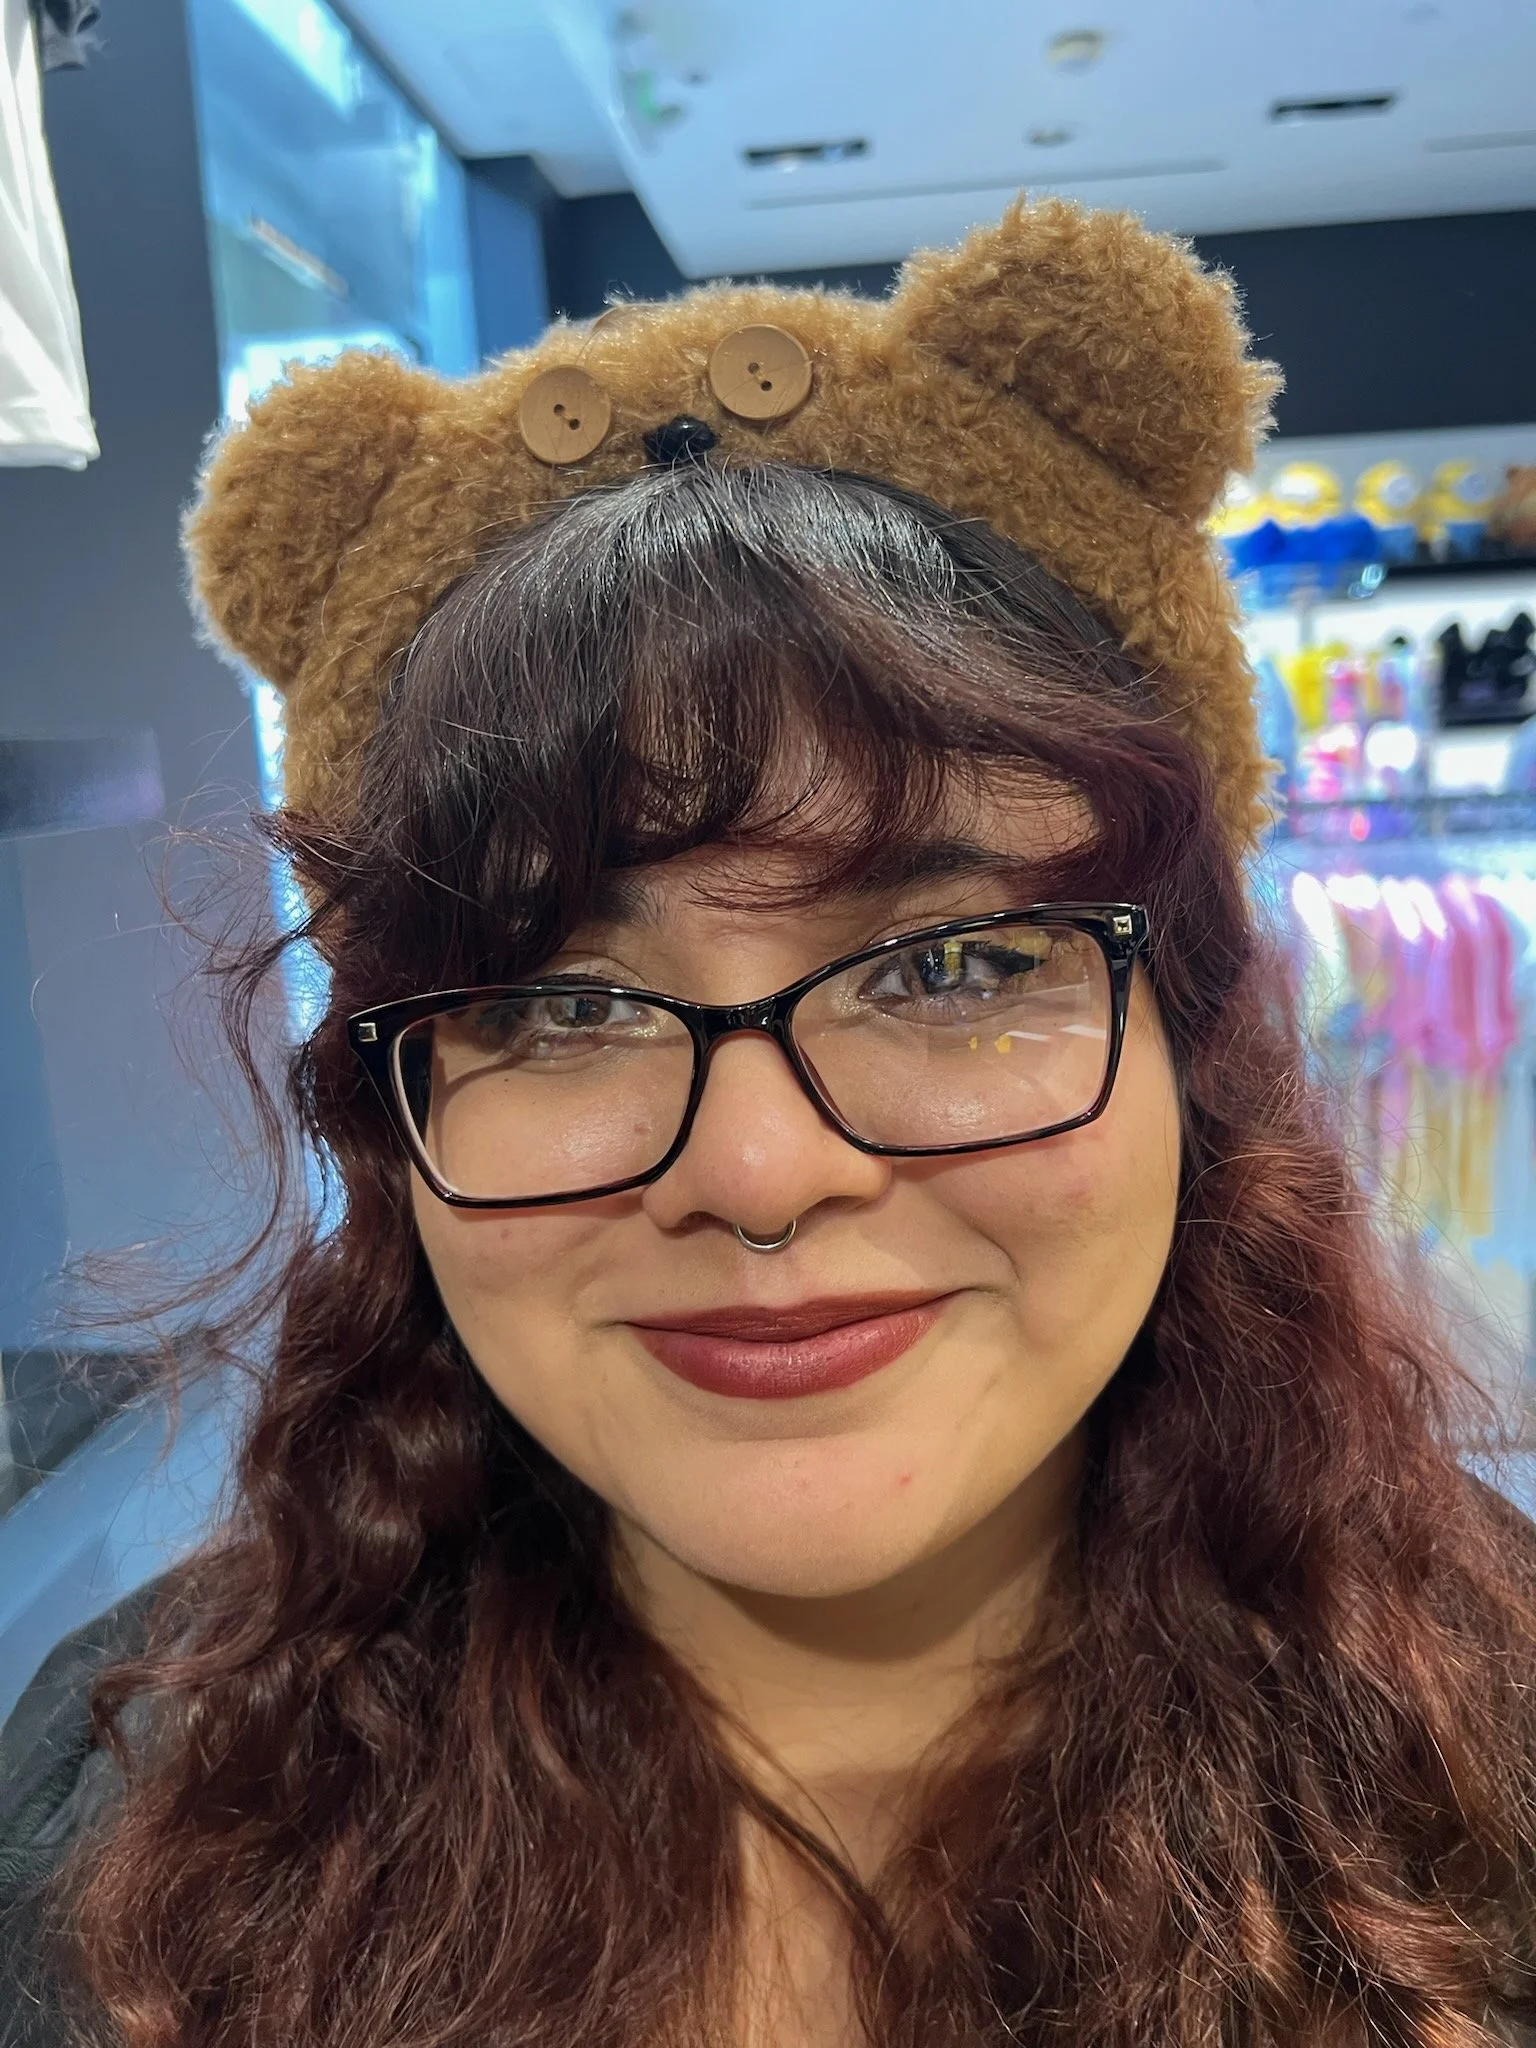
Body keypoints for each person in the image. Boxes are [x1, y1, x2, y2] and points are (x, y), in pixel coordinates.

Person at [4, 197, 1536, 2048]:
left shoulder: (1498, 1741)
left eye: (950, 968)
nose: (757, 1173)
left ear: (1190, 1035)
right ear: (395, 1117)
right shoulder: (128, 1804)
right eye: (560, 1007)